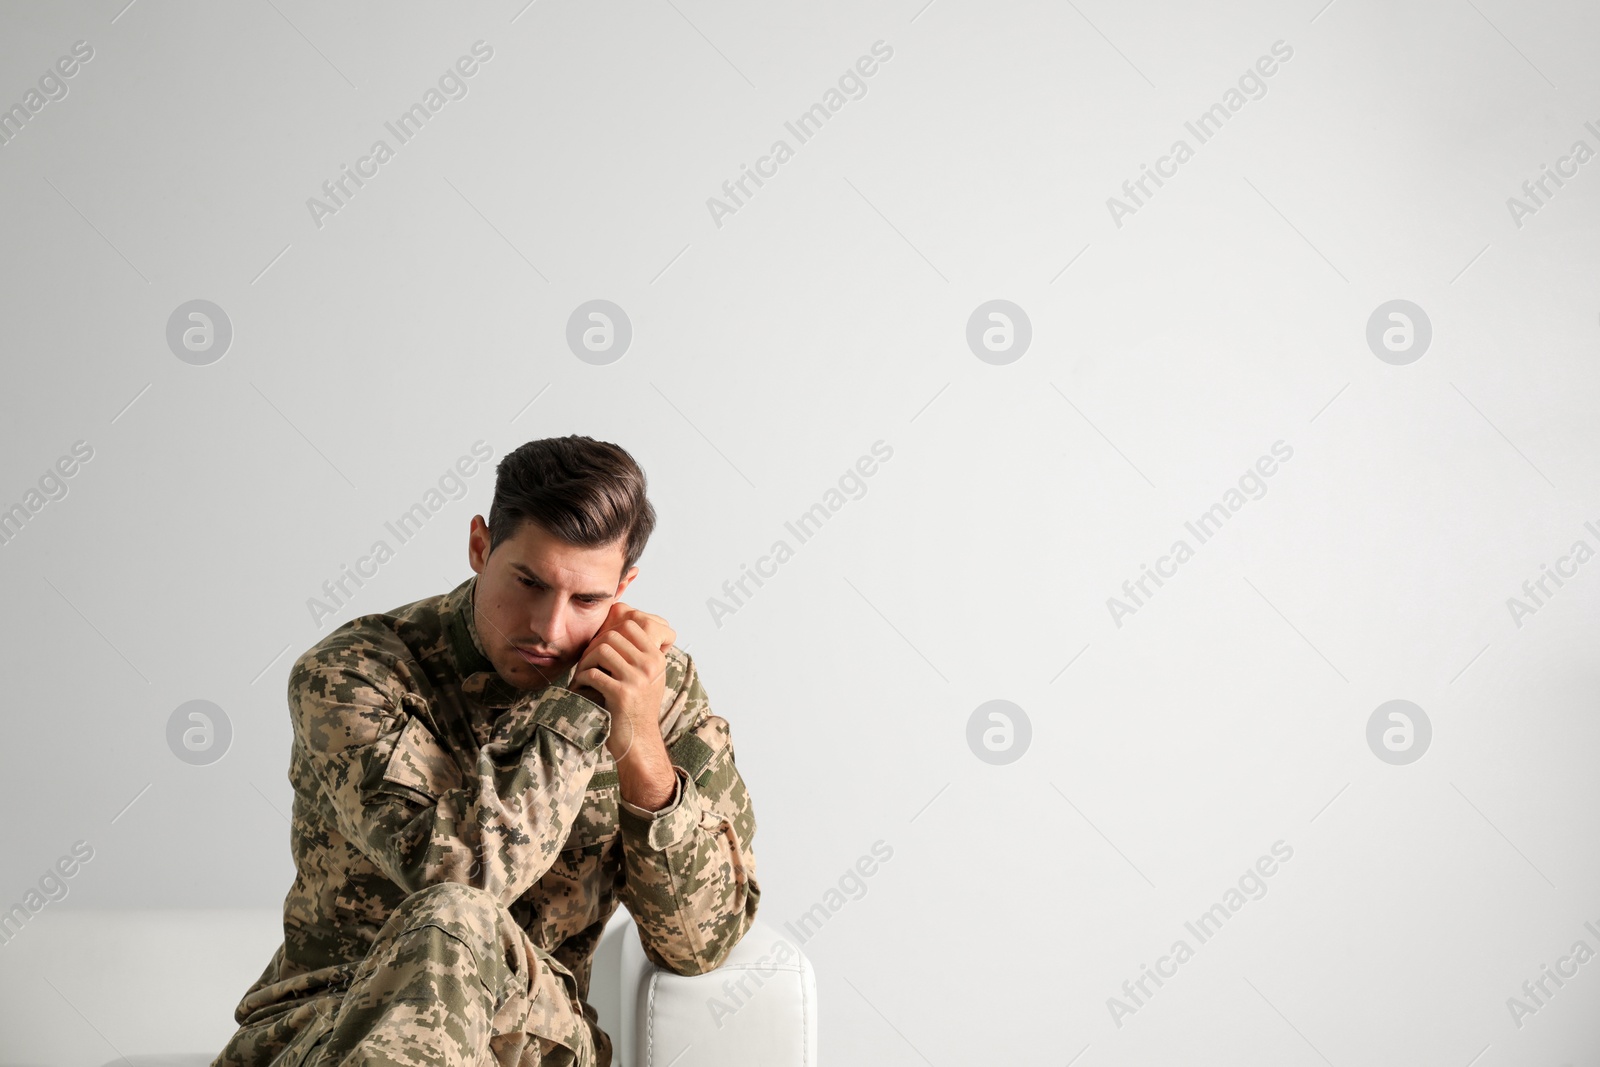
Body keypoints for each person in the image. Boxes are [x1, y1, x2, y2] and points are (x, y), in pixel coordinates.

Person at [211, 435, 761, 1067]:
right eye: (528, 583)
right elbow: (457, 880)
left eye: (587, 600)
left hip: (527, 1037)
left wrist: (639, 746)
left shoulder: (653, 689)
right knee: (453, 912)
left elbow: (701, 944)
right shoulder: (357, 674)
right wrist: (581, 715)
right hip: (326, 1030)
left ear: (624, 587)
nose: (549, 630)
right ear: (479, 546)